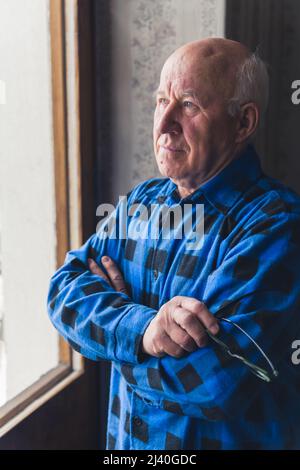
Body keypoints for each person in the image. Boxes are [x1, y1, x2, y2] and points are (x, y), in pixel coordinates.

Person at [47, 38, 300, 450]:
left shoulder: (278, 225)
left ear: (243, 123)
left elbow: (217, 380)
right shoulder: (142, 202)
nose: (163, 124)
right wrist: (144, 331)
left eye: (189, 105)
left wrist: (114, 342)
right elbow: (62, 291)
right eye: (161, 100)